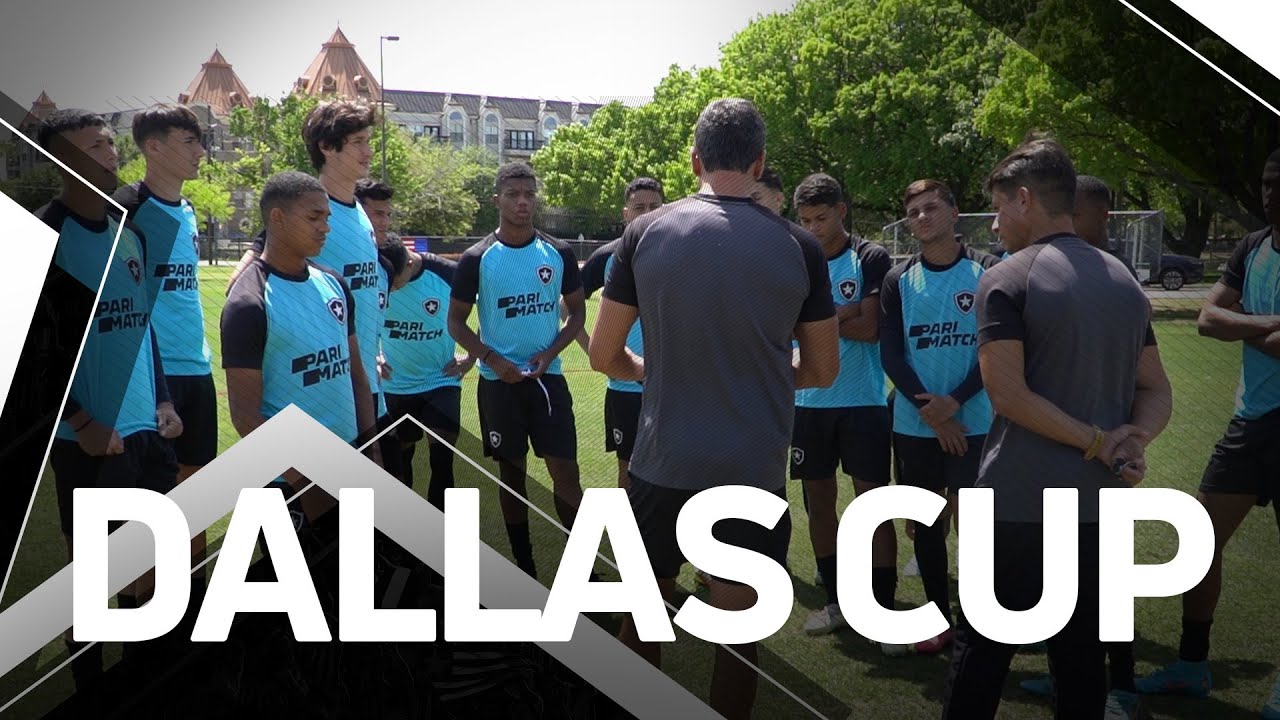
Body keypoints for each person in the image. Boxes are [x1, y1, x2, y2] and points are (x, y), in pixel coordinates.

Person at [590, 98, 838, 720]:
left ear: (696, 160)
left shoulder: (645, 232)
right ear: (759, 162)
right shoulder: (800, 247)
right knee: (738, 633)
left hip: (661, 464)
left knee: (643, 617)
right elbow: (822, 370)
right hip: (750, 469)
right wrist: (767, 375)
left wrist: (647, 371)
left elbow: (603, 354)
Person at [941, 138, 1172, 720]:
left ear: (1024, 200)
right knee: (1081, 663)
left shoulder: (1007, 277)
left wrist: (1101, 441)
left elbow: (1008, 395)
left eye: (999, 207)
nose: (994, 223)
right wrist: (1131, 441)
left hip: (1017, 504)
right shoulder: (1123, 278)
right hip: (1098, 508)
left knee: (980, 659)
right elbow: (1156, 390)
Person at [37, 109, 182, 690]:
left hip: (146, 427)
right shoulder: (44, 236)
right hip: (89, 439)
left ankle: (143, 681)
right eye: (91, 146)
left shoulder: (132, 233)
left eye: (108, 142)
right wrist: (81, 421)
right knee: (94, 579)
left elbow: (142, 327)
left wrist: (164, 400)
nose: (109, 152)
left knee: (147, 569)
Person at [1138, 150, 1280, 720]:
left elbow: (1227, 322)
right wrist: (1268, 324)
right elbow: (1207, 319)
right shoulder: (1253, 247)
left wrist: (1240, 324)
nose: (1269, 193)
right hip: (1250, 423)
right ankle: (1192, 665)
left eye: (1279, 183)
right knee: (1200, 543)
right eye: (1266, 183)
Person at [1018, 172, 1143, 708]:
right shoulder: (1049, 274)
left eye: (1080, 212)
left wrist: (1123, 441)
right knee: (1065, 584)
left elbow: (1146, 377)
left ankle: (1124, 687)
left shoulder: (1116, 278)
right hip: (1059, 456)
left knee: (1108, 583)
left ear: (1099, 216)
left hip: (1101, 461)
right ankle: (1069, 675)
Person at [447, 161, 587, 579]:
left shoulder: (559, 253)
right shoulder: (477, 259)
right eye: (513, 195)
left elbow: (577, 314)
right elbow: (456, 323)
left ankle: (584, 568)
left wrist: (550, 352)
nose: (522, 202)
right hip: (499, 384)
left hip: (549, 381)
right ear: (497, 200)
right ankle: (525, 565)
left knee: (566, 474)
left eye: (529, 194)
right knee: (512, 475)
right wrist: (492, 359)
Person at [879, 178, 998, 655]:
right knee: (926, 524)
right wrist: (934, 413)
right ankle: (938, 619)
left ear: (954, 211)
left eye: (931, 208)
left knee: (975, 524)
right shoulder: (898, 280)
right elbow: (892, 355)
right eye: (914, 213)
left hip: (976, 420)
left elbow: (997, 348)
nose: (922, 218)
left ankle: (978, 620)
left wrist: (956, 402)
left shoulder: (987, 270)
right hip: (916, 424)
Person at [221, 171, 382, 524]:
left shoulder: (334, 284)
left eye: (327, 217)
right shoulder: (249, 303)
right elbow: (245, 416)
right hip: (288, 487)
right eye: (314, 217)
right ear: (277, 217)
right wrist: (307, 483)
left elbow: (357, 378)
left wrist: (371, 453)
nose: (325, 227)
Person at [112, 104, 216, 605]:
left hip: (197, 369)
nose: (201, 152)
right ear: (153, 147)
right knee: (149, 509)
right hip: (151, 377)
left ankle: (191, 607)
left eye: (200, 141)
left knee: (196, 495)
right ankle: (141, 614)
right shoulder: (125, 209)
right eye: (189, 141)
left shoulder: (189, 209)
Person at [788, 173, 897, 640]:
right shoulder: (796, 259)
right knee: (819, 503)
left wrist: (813, 323)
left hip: (862, 401)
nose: (813, 228)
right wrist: (843, 313)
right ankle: (836, 601)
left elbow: (870, 329)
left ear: (841, 211)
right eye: (806, 220)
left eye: (821, 218)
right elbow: (786, 325)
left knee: (873, 505)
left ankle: (883, 610)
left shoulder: (869, 257)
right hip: (808, 401)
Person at [577, 177, 665, 488]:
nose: (647, 213)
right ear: (626, 213)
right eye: (639, 207)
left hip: (669, 387)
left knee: (672, 472)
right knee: (627, 472)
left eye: (654, 207)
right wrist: (598, 353)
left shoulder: (679, 251)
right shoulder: (607, 256)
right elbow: (568, 309)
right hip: (625, 387)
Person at [377, 237, 474, 508]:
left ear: (409, 263)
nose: (391, 286)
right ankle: (404, 527)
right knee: (399, 462)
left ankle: (440, 529)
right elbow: (358, 321)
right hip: (395, 384)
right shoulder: (375, 277)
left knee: (442, 459)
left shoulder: (447, 273)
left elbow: (491, 311)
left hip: (441, 381)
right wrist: (373, 354)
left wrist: (472, 357)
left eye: (396, 280)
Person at [1073, 175, 1139, 280]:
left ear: (1102, 216)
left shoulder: (1120, 272)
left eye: (1074, 216)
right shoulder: (1057, 262)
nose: (1065, 223)